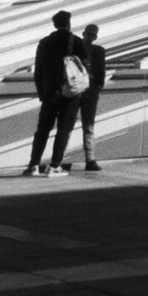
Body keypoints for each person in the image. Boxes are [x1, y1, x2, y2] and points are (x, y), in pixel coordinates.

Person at [25, 11, 84, 176]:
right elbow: (85, 66)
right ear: (69, 23)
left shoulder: (44, 43)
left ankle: (33, 165)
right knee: (64, 129)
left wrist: (42, 93)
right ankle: (54, 166)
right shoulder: (75, 41)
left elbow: (38, 72)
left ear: (54, 24)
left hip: (49, 93)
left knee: (42, 129)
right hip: (70, 92)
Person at [74, 22, 109, 171]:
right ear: (84, 33)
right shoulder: (73, 48)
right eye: (88, 34)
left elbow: (101, 71)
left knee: (88, 125)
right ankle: (58, 159)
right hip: (76, 88)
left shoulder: (99, 51)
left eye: (93, 35)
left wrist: (96, 86)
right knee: (69, 124)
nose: (90, 37)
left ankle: (90, 159)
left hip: (89, 89)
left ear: (95, 37)